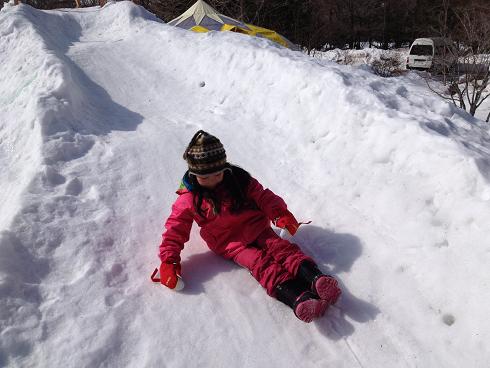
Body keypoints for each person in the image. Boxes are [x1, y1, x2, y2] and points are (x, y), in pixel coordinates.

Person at [157, 130, 341, 323]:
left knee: (282, 249)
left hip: (258, 227)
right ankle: (298, 298)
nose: (212, 181)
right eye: (205, 177)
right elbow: (176, 228)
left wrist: (279, 213)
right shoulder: (188, 199)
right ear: (194, 174)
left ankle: (316, 278)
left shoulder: (239, 180)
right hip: (230, 243)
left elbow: (263, 196)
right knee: (260, 264)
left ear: (224, 168)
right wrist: (169, 261)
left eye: (217, 174)